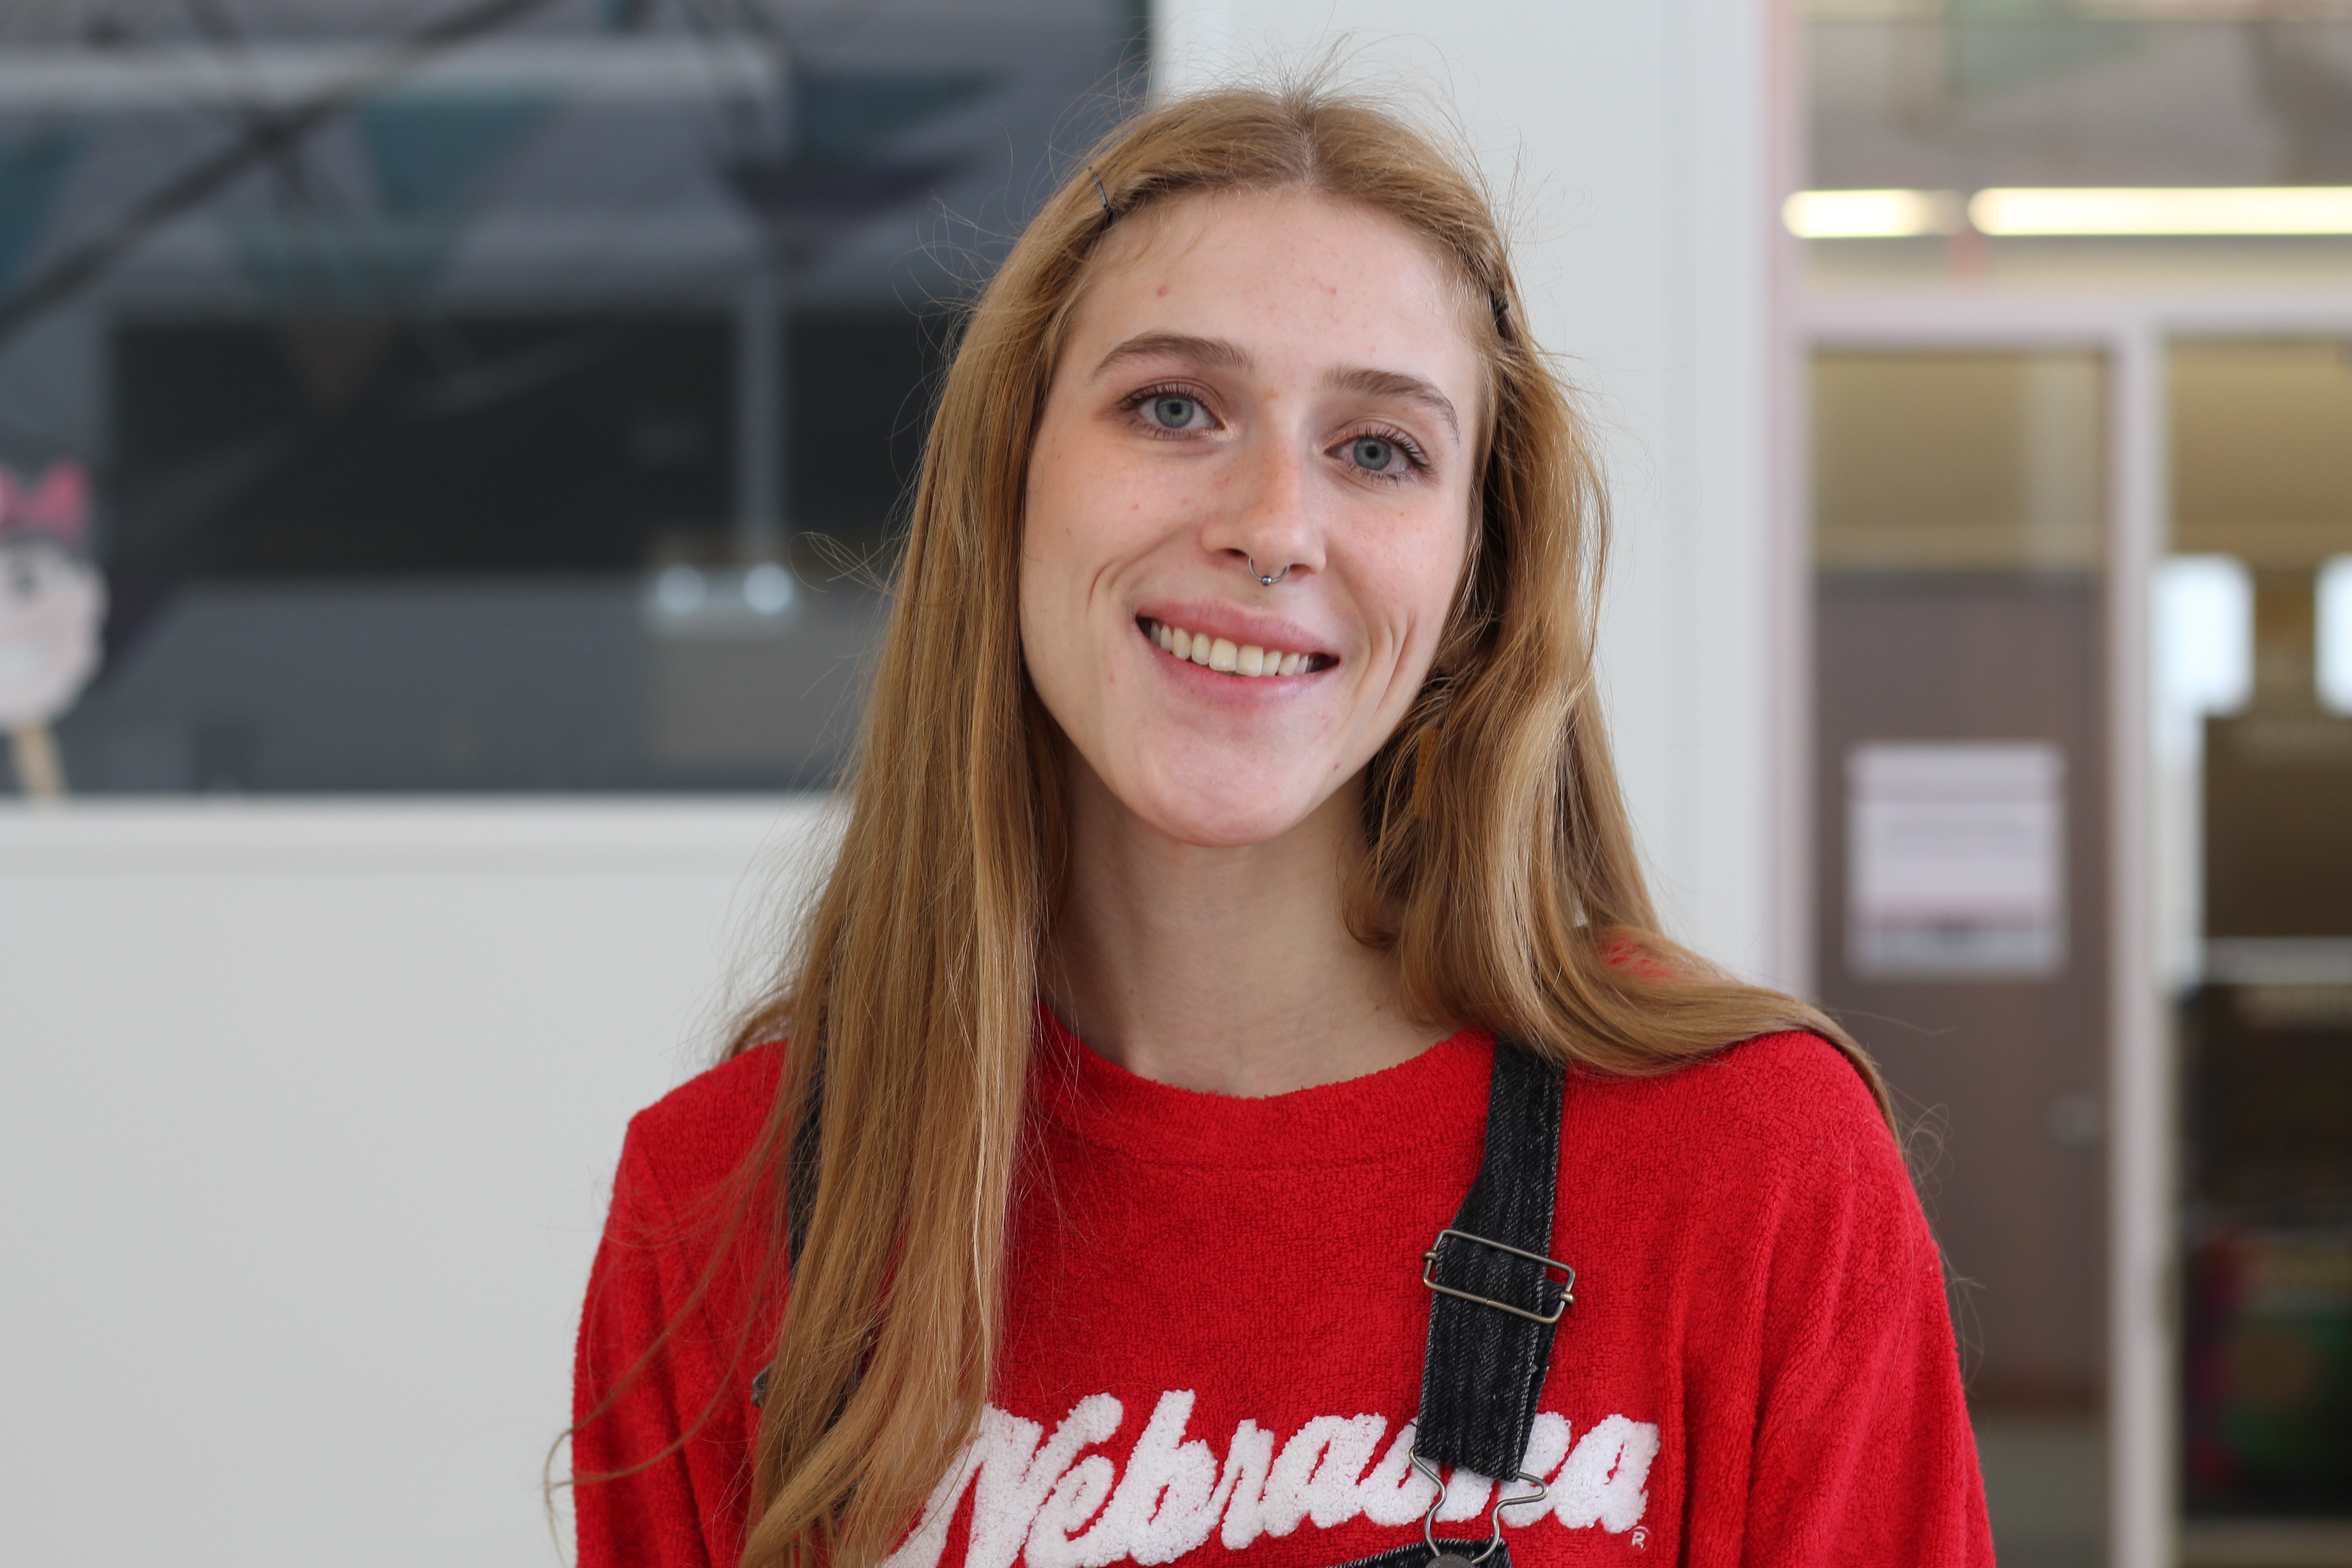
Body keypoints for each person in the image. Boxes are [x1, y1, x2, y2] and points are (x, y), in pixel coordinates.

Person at [569, 83, 1993, 1568]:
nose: (1272, 524)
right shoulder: (723, 1211)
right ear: (1009, 484)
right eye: (1173, 407)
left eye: (1378, 449)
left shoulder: (1756, 1172)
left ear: (1473, 582)